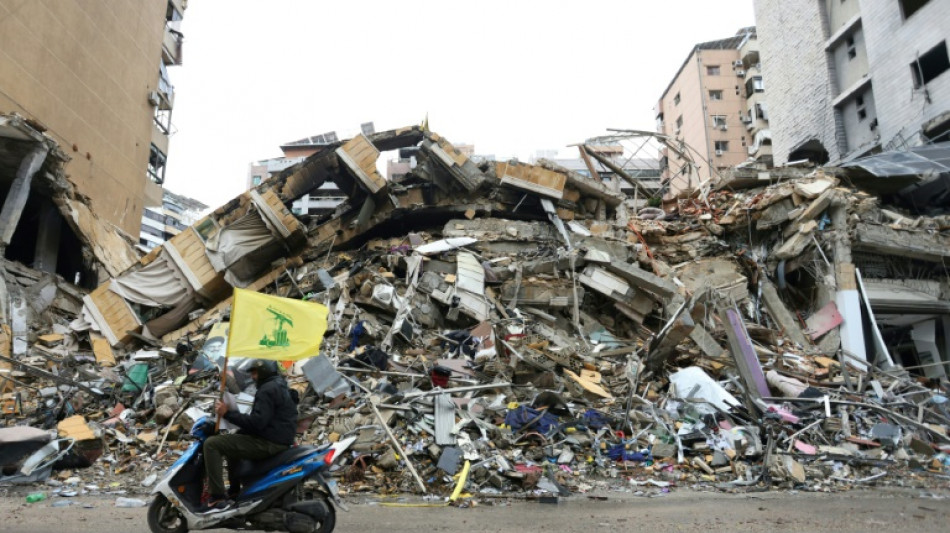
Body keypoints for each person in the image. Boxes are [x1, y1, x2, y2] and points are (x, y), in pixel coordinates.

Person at [203, 359, 298, 511]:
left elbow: (257, 422)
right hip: (278, 438)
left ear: (264, 371)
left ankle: (217, 496)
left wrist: (227, 413)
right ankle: (234, 491)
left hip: (269, 442)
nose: (253, 377)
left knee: (212, 444)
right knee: (232, 442)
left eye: (255, 372)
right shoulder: (279, 384)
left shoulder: (267, 389)